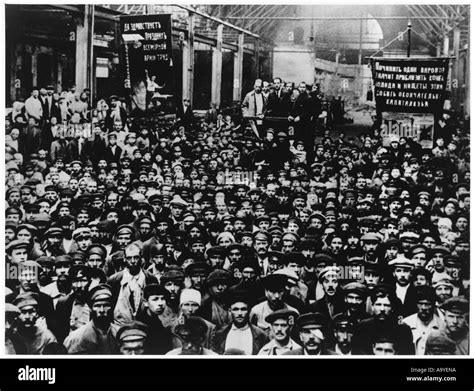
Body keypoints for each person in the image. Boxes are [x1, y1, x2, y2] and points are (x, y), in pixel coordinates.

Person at [63, 284, 119, 354]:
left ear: (112, 307)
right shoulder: (76, 338)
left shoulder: (119, 335)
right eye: (97, 306)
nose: (102, 310)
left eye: (106, 305)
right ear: (90, 308)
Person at [211, 291, 268, 355]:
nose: (240, 313)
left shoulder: (261, 335)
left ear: (249, 310)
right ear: (230, 311)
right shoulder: (220, 334)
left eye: (243, 309)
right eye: (235, 309)